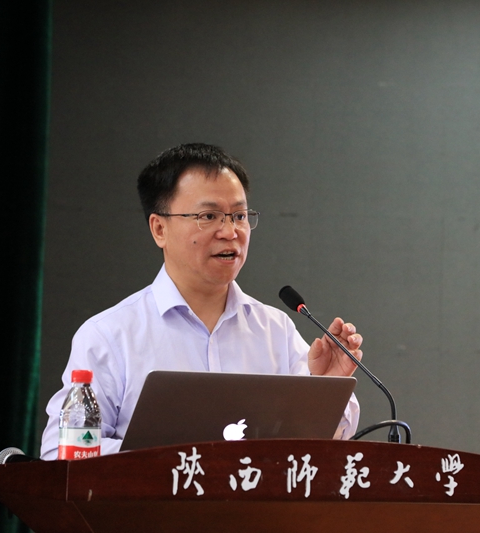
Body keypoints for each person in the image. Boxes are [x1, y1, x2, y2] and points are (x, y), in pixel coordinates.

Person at [40, 143, 362, 459]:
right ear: (159, 229)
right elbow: (61, 453)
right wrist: (180, 458)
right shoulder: (109, 336)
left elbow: (324, 446)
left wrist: (328, 388)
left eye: (239, 215)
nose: (230, 231)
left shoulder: (275, 330)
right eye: (209, 216)